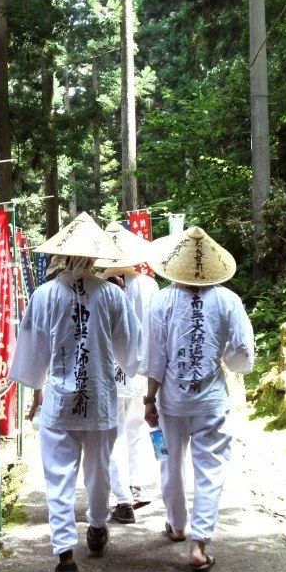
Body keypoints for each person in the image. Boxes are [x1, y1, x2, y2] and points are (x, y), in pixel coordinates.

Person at [8, 213, 141, 572]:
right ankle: (97, 525)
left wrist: (35, 392)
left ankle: (66, 558)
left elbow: (33, 351)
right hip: (100, 401)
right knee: (98, 473)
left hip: (58, 403)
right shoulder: (112, 293)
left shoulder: (44, 294)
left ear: (63, 254)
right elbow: (129, 348)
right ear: (98, 256)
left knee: (58, 478)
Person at [142, 226, 254, 572]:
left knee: (169, 462)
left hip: (171, 401)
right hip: (211, 401)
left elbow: (153, 356)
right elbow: (241, 356)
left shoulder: (161, 300)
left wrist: (149, 400)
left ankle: (177, 525)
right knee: (210, 469)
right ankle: (199, 544)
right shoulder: (228, 300)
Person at [96, 221, 160, 524]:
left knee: (114, 434)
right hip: (142, 369)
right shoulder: (148, 284)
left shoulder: (96, 286)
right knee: (136, 428)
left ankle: (121, 497)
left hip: (107, 369)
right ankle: (137, 483)